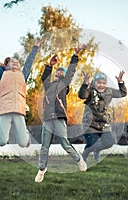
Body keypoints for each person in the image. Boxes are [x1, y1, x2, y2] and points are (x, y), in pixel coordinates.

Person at [35, 44, 87, 183]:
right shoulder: (49, 85)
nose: (59, 72)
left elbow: (70, 71)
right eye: (57, 71)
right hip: (47, 120)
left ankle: (79, 159)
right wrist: (50, 65)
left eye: (61, 71)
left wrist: (75, 56)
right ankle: (42, 169)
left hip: (59, 118)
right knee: (44, 146)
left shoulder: (64, 84)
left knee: (65, 143)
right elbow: (44, 77)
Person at [0, 36, 44, 148]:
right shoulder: (2, 73)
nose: (15, 63)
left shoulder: (23, 75)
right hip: (5, 110)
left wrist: (36, 47)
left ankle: (26, 135)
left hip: (19, 110)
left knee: (24, 143)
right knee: (2, 141)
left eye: (17, 62)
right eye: (12, 62)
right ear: (7, 65)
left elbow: (29, 61)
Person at [78, 71, 127, 163]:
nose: (101, 85)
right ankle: (85, 154)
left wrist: (120, 82)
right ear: (94, 82)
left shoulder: (109, 91)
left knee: (109, 142)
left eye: (103, 83)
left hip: (104, 123)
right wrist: (85, 84)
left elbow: (122, 93)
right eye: (99, 83)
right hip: (90, 123)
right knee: (92, 143)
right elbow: (82, 95)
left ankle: (96, 150)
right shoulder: (90, 91)